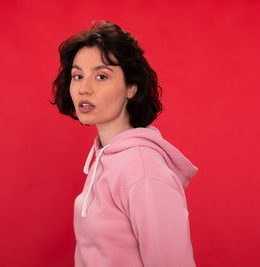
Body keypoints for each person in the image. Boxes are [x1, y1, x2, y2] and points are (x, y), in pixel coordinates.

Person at [51, 20, 198, 267]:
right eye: (77, 76)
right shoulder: (106, 158)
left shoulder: (142, 169)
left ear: (131, 87)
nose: (84, 89)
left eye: (101, 76)